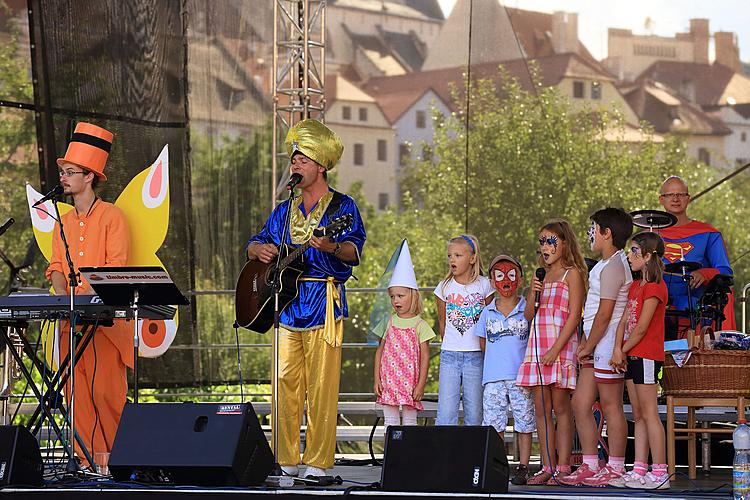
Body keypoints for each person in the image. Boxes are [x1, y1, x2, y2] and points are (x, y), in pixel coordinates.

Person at [245, 119, 366, 478]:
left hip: (322, 300)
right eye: (293, 158)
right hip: (285, 304)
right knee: (283, 385)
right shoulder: (285, 210)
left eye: (302, 158)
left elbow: (354, 251)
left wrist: (331, 246)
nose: (295, 164)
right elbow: (256, 241)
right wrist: (258, 249)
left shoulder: (343, 207)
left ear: (321, 165)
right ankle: (286, 459)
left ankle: (317, 462)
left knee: (322, 386)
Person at [45, 122, 132, 465]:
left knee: (106, 393)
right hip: (71, 324)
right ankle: (86, 462)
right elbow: (55, 268)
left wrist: (84, 300)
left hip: (105, 326)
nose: (63, 177)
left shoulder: (113, 216)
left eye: (70, 172)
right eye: (63, 172)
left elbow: (115, 267)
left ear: (89, 177)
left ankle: (116, 461)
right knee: (76, 394)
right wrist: (67, 301)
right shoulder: (61, 221)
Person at [560, 208, 633, 487]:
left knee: (612, 405)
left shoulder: (616, 265)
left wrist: (587, 345)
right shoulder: (604, 264)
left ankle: (615, 466)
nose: (590, 233)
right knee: (580, 403)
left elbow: (605, 314)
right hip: (593, 344)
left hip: (605, 343)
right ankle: (590, 463)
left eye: (594, 228)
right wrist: (586, 342)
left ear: (607, 233)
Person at [516, 220, 586, 485]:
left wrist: (556, 349)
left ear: (564, 243)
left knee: (560, 406)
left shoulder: (572, 274)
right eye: (542, 241)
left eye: (550, 241)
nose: (545, 247)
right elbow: (528, 314)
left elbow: (574, 315)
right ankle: (547, 466)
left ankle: (563, 467)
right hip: (538, 347)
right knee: (541, 409)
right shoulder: (540, 277)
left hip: (560, 347)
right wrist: (534, 293)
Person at [609, 232, 670, 490]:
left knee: (649, 414)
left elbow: (642, 327)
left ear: (647, 257)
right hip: (631, 354)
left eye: (634, 252)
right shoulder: (635, 287)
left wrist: (622, 350)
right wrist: (617, 350)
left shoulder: (656, 288)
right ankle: (640, 469)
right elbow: (624, 321)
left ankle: (660, 472)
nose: (630, 256)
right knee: (638, 415)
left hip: (646, 355)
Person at [475, 254, 535, 485]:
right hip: (493, 377)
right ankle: (499, 464)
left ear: (519, 279)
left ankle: (523, 466)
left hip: (520, 377)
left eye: (511, 275)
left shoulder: (526, 310)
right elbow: (483, 344)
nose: (506, 281)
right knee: (495, 423)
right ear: (492, 281)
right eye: (499, 276)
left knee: (524, 422)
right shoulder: (487, 312)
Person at [657, 176, 735, 335]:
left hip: (696, 303)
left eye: (681, 194)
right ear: (661, 200)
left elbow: (726, 271)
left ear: (688, 199)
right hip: (658, 302)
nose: (676, 199)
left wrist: (704, 274)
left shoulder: (707, 233)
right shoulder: (651, 234)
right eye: (670, 195)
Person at [372, 241, 435, 434]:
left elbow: (425, 358)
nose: (395, 300)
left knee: (409, 422)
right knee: (390, 422)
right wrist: (377, 379)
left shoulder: (420, 325)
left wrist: (421, 384)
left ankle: (409, 457)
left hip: (410, 383)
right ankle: (392, 458)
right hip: (389, 382)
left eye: (400, 295)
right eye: (392, 297)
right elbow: (379, 352)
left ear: (413, 296)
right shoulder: (388, 322)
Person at [434, 235, 493, 426]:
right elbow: (442, 322)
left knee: (475, 413)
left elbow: (490, 321)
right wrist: (451, 343)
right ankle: (445, 454)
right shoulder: (444, 287)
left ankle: (472, 455)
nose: (452, 259)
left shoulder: (485, 285)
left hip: (476, 356)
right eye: (450, 255)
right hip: (450, 355)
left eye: (458, 255)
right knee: (446, 412)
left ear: (472, 258)